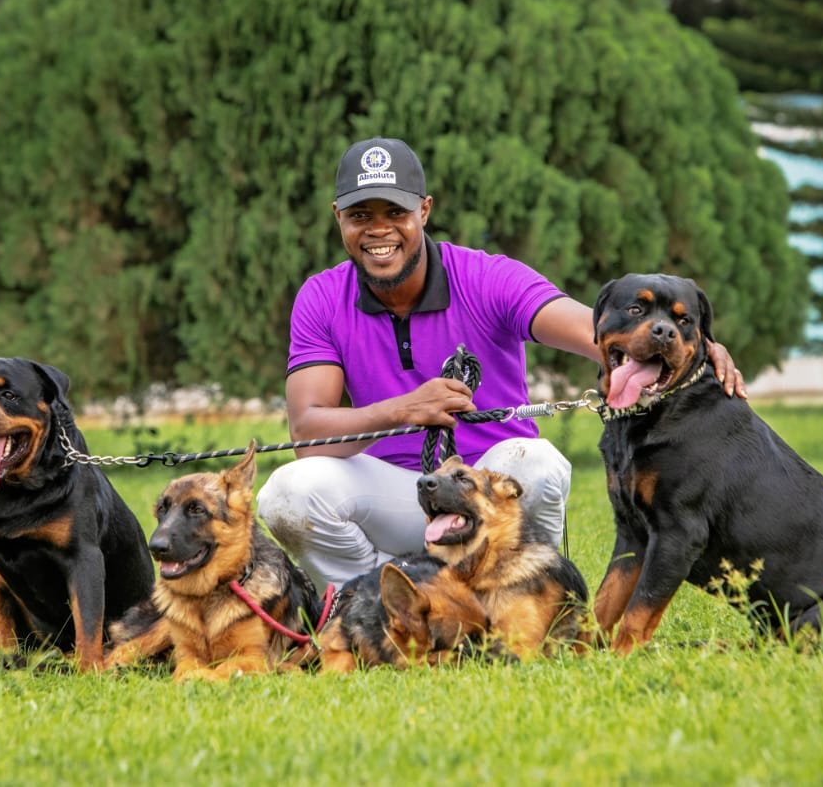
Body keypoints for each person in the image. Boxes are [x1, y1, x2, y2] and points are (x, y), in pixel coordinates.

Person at [256, 136, 745, 590]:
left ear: (423, 211)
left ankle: (523, 597)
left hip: (489, 493)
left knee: (538, 463)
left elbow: (596, 333)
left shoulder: (487, 276)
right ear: (338, 216)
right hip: (395, 498)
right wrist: (404, 409)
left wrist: (688, 349)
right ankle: (377, 604)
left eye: (396, 211)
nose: (379, 229)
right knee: (289, 492)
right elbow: (309, 433)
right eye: (361, 214)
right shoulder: (321, 296)